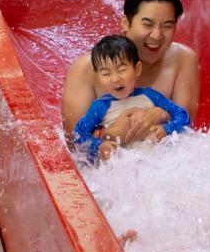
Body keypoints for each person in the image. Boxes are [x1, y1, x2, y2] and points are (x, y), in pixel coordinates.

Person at [62, 0, 200, 147]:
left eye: (167, 26)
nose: (156, 35)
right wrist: (107, 135)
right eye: (147, 24)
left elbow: (184, 134)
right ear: (125, 23)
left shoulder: (183, 60)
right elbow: (74, 145)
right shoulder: (86, 69)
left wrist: (159, 114)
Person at [73, 35, 191, 163]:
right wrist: (98, 146)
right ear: (98, 77)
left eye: (122, 70)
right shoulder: (100, 106)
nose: (115, 79)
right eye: (106, 73)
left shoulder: (151, 96)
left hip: (157, 163)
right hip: (122, 166)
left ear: (137, 69)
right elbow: (78, 136)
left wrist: (167, 129)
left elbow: (183, 116)